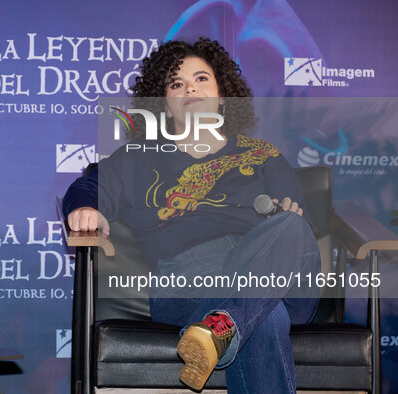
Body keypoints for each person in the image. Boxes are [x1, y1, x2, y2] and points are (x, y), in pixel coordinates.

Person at [63, 37, 320, 393]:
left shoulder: (263, 155)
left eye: (201, 79)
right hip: (190, 281)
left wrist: (289, 218)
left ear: (222, 94)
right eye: (176, 83)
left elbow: (295, 232)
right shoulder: (139, 157)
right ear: (164, 102)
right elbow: (89, 186)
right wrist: (84, 207)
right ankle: (224, 324)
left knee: (291, 225)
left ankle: (222, 323)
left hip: (275, 274)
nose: (190, 88)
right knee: (265, 316)